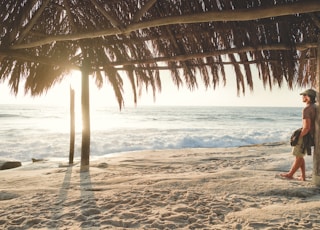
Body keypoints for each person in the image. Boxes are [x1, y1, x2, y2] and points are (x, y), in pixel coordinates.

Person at [280, 89, 317, 181]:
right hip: (311, 134)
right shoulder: (314, 107)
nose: (302, 97)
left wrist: (299, 136)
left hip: (305, 134)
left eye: (304, 95)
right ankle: (303, 176)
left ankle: (290, 174)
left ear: (308, 97)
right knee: (299, 156)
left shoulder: (307, 109)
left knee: (298, 156)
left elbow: (307, 127)